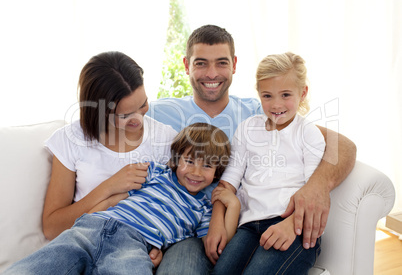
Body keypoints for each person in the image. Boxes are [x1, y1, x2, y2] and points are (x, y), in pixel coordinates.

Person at [147, 25, 356, 274]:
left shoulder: (267, 115)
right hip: (196, 228)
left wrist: (317, 188)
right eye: (201, 63)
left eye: (221, 63)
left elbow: (342, 145)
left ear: (234, 64)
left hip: (262, 222)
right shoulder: (160, 112)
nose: (212, 73)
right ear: (186, 65)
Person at [3, 123, 238, 275]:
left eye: (207, 166)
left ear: (216, 173)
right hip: (94, 226)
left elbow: (219, 244)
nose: (196, 172)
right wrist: (93, 214)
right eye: (189, 161)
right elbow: (116, 196)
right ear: (176, 159)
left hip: (135, 245)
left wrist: (232, 203)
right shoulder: (155, 172)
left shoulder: (202, 209)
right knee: (39, 266)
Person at [41, 51, 177, 266]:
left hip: (131, 249)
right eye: (124, 115)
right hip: (81, 241)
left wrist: (160, 246)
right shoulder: (71, 139)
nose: (138, 119)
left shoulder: (165, 140)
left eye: (143, 105)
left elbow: (176, 208)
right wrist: (108, 188)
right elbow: (52, 227)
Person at [212, 52, 325, 274]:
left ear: (302, 93)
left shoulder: (308, 133)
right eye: (267, 96)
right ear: (258, 95)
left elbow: (314, 193)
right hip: (248, 227)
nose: (276, 105)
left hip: (293, 227)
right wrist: (216, 223)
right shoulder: (247, 129)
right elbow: (228, 183)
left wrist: (292, 225)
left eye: (285, 95)